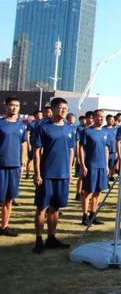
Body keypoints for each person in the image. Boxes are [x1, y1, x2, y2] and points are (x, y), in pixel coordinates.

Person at [32, 97, 74, 253]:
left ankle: (51, 237)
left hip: (63, 174)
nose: (63, 110)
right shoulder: (43, 127)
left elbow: (71, 151)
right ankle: (38, 239)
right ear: (53, 109)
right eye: (61, 108)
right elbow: (36, 151)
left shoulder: (70, 128)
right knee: (42, 207)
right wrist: (37, 173)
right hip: (47, 174)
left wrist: (69, 172)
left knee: (55, 208)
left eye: (66, 108)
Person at [0, 97, 27, 236]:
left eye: (16, 105)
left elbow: (23, 145)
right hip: (1, 167)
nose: (14, 108)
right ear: (6, 106)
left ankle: (4, 226)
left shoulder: (21, 126)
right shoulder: (1, 124)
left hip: (15, 166)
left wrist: (22, 164)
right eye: (11, 105)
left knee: (9, 199)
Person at [79, 109, 110, 225]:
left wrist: (107, 165)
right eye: (98, 116)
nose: (100, 119)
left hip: (102, 166)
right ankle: (84, 216)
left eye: (102, 117)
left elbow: (106, 149)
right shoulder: (87, 131)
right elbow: (80, 148)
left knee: (98, 192)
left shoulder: (105, 132)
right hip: (91, 166)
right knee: (87, 192)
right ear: (93, 117)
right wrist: (83, 165)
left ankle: (93, 215)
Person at [24, 110, 42, 180]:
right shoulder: (31, 124)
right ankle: (27, 173)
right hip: (32, 144)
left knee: (39, 159)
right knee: (30, 159)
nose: (40, 116)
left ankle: (37, 173)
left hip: (40, 145)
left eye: (41, 115)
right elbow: (27, 134)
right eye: (39, 115)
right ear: (35, 116)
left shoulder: (43, 124)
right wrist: (29, 145)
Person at [103, 114, 119, 185]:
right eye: (110, 119)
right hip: (104, 152)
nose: (112, 121)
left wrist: (117, 152)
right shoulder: (103, 129)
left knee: (111, 167)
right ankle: (105, 181)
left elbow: (118, 141)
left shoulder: (115, 129)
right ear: (106, 120)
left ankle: (109, 179)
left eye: (113, 120)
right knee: (105, 167)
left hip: (113, 151)